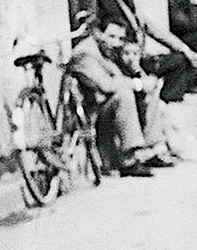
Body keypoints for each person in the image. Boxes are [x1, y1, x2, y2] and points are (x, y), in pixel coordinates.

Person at [65, 17, 175, 177]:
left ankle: (151, 151)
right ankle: (129, 159)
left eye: (120, 38)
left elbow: (122, 77)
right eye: (111, 36)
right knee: (125, 94)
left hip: (107, 106)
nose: (116, 42)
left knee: (150, 89)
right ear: (98, 33)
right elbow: (106, 85)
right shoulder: (85, 53)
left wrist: (140, 78)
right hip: (92, 113)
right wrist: (137, 84)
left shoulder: (108, 50)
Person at [109, 0, 197, 102]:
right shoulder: (114, 7)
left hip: (139, 58)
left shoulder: (134, 8)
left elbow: (158, 32)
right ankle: (165, 100)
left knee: (181, 58)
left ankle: (166, 100)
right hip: (127, 61)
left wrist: (186, 50)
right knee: (178, 61)